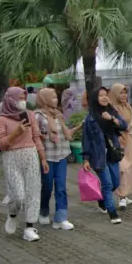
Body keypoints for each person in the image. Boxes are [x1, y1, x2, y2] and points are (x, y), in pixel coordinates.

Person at [0, 87, 49, 242]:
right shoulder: (2, 120)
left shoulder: (30, 115)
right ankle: (12, 214)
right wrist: (16, 132)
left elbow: (36, 137)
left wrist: (43, 158)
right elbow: (0, 144)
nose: (23, 101)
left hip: (31, 155)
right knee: (18, 195)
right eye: (20, 98)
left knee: (33, 191)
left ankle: (29, 227)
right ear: (10, 99)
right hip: (11, 158)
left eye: (24, 98)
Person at [82, 87, 127, 224]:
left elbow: (123, 125)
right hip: (98, 155)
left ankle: (101, 199)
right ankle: (113, 213)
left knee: (115, 182)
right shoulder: (90, 119)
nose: (104, 97)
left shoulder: (112, 111)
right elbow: (86, 140)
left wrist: (112, 118)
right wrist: (86, 159)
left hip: (112, 153)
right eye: (101, 95)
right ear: (95, 98)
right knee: (107, 183)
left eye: (106, 95)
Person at [35, 88, 75, 230]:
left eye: (56, 97)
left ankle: (61, 217)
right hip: (47, 157)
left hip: (61, 155)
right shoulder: (38, 116)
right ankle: (44, 211)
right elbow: (35, 137)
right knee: (46, 187)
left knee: (61, 187)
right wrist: (45, 136)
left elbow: (65, 133)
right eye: (52, 97)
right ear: (44, 99)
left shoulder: (58, 114)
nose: (55, 99)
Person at [109, 83, 132, 210]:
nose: (124, 95)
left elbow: (131, 122)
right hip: (118, 140)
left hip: (128, 139)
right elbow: (113, 125)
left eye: (125, 92)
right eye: (121, 92)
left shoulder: (127, 107)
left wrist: (129, 129)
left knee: (129, 166)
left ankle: (125, 193)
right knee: (122, 167)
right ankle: (121, 196)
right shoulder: (112, 109)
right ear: (115, 94)